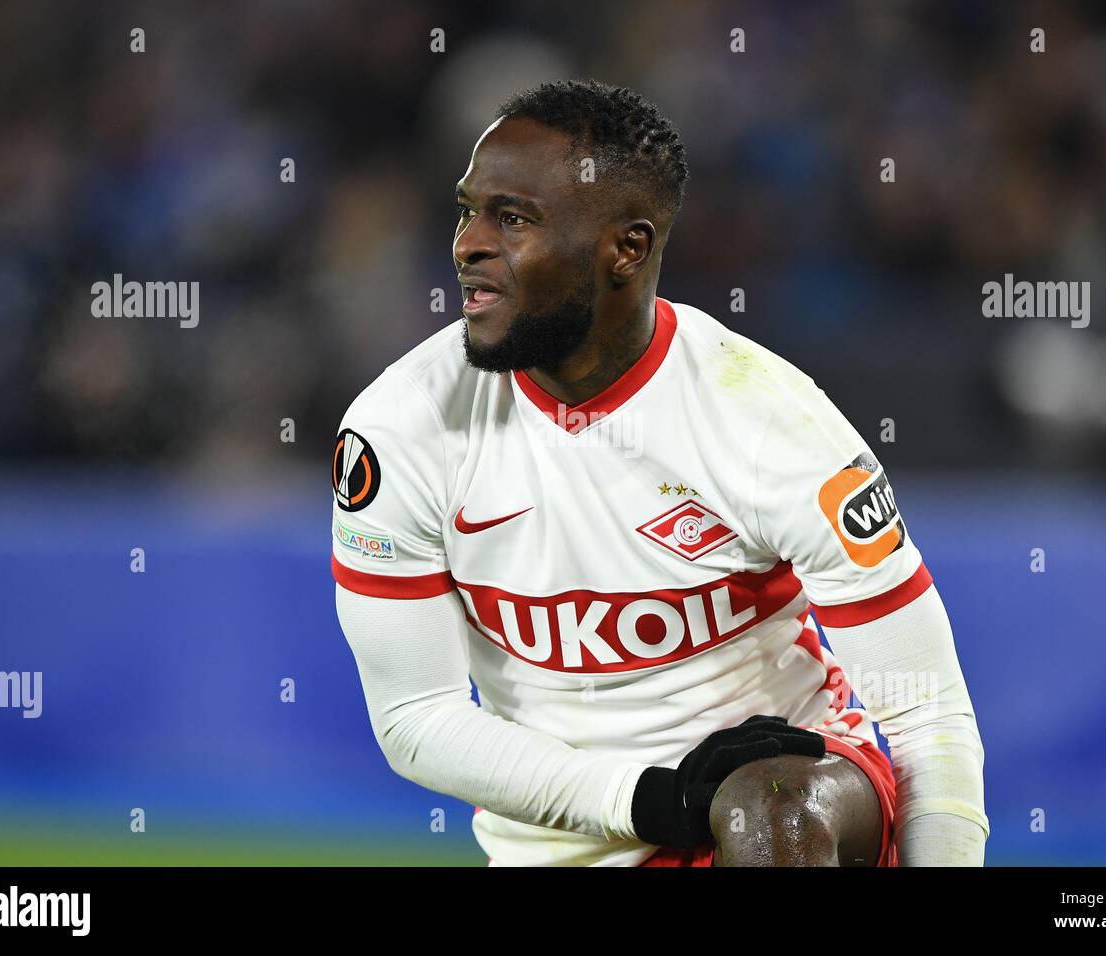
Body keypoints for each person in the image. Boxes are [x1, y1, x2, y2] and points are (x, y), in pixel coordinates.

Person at [331, 79, 988, 866]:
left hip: (780, 812)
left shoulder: (771, 420)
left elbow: (928, 714)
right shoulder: (398, 428)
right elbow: (417, 717)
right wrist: (656, 800)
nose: (467, 243)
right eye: (468, 210)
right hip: (584, 830)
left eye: (511, 219)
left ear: (626, 248)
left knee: (767, 812)